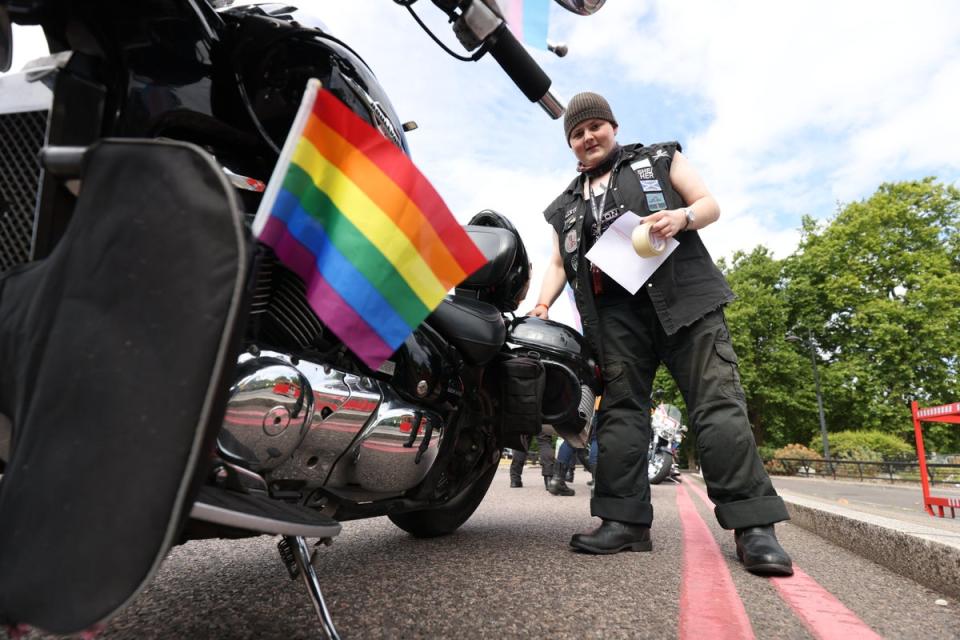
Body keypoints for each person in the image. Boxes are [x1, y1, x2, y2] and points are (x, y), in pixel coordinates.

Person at [527, 92, 792, 576]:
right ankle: (624, 523)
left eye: (595, 127)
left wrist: (681, 217)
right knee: (622, 415)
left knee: (717, 404)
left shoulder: (659, 157)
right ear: (571, 144)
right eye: (578, 133)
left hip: (685, 298)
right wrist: (542, 303)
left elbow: (708, 203)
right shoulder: (564, 205)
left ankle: (754, 528)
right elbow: (559, 262)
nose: (588, 137)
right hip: (614, 318)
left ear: (613, 126)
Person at [509, 432, 574, 495]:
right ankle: (548, 480)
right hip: (540, 422)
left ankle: (515, 480)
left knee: (521, 442)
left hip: (523, 421)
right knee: (544, 441)